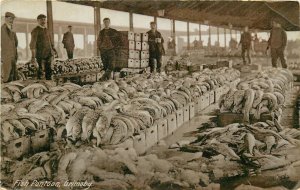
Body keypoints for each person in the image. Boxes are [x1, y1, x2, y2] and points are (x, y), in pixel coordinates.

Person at [30, 14, 57, 80]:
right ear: (38, 21)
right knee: (41, 72)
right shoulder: (35, 30)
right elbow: (32, 44)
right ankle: (41, 86)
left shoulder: (47, 30)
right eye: (41, 20)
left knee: (49, 71)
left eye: (44, 19)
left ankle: (49, 86)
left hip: (49, 55)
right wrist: (33, 57)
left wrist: (54, 50)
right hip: (40, 56)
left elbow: (51, 42)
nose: (43, 21)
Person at [1, 12, 18, 83]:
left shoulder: (11, 29)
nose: (12, 20)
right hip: (7, 55)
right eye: (10, 18)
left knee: (13, 75)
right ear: (5, 18)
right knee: (7, 75)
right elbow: (6, 43)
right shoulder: (3, 29)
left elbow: (16, 43)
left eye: (13, 19)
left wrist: (15, 54)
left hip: (13, 55)